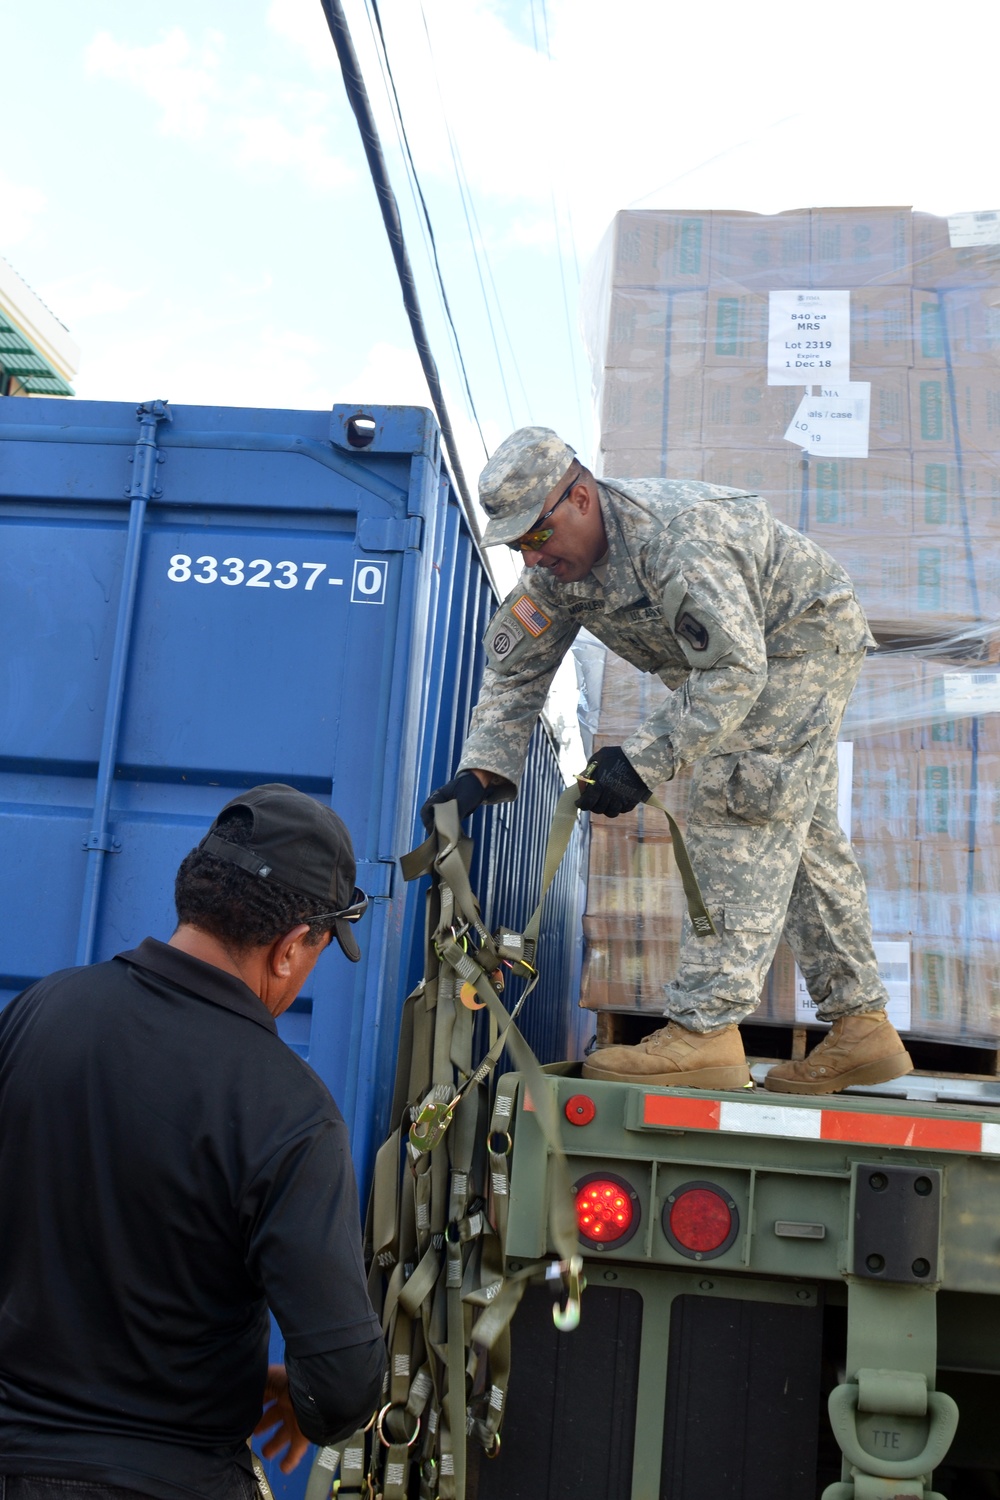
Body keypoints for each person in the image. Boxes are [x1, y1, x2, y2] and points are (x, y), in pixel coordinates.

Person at [422, 427, 912, 1096]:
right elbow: (516, 673)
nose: (529, 555)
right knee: (801, 838)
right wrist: (478, 775)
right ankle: (863, 1027)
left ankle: (704, 1034)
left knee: (740, 802)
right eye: (516, 544)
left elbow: (737, 669)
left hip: (798, 639)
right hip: (744, 662)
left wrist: (641, 762)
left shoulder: (673, 540)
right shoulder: (557, 574)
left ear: (582, 497)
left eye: (536, 534)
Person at [0, 783, 386, 1500]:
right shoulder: (291, 1111)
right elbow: (342, 1388)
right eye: (318, 952)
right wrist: (303, 1397)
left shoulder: (39, 1013)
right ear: (291, 947)